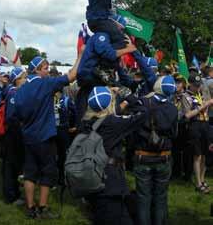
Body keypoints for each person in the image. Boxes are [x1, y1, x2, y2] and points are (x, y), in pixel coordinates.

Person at [14, 54, 82, 219]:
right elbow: (72, 75)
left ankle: (30, 208)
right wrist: (80, 56)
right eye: (45, 69)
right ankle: (43, 207)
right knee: (48, 172)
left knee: (29, 173)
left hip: (28, 136)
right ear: (37, 70)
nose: (48, 72)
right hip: (44, 137)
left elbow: (17, 115)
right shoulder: (45, 84)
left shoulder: (20, 90)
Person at [81, 86, 148, 225]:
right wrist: (127, 95)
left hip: (91, 177)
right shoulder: (113, 123)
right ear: (111, 103)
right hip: (110, 182)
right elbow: (143, 113)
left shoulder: (86, 122)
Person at [133, 75, 178, 225]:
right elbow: (174, 134)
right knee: (160, 197)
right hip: (163, 157)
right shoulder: (173, 109)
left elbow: (135, 128)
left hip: (143, 156)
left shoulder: (143, 103)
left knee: (143, 197)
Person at [181, 74, 213, 193]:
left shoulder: (201, 94)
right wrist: (203, 106)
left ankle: (203, 179)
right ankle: (198, 183)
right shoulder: (185, 96)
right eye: (195, 86)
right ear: (190, 84)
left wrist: (208, 104)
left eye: (199, 86)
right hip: (195, 126)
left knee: (205, 154)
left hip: (205, 124)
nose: (197, 88)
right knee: (197, 155)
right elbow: (187, 115)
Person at [2, 67, 26, 204]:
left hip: (15, 131)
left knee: (14, 163)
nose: (26, 80)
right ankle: (10, 195)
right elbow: (11, 116)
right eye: (24, 77)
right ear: (17, 79)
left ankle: (14, 192)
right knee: (11, 164)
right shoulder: (13, 93)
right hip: (13, 132)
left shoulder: (15, 91)